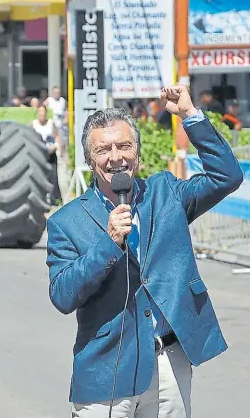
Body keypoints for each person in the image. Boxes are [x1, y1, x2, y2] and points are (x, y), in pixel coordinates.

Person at [46, 85, 243, 418]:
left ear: (136, 152)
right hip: (107, 367)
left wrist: (189, 115)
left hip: (169, 361)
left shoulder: (165, 193)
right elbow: (63, 295)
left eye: (124, 146)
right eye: (104, 149)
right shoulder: (66, 222)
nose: (116, 158)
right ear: (89, 160)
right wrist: (108, 244)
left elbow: (227, 176)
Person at [31, 105, 62, 206]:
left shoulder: (50, 123)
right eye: (40, 112)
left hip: (50, 153)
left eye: (43, 112)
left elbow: (57, 135)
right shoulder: (33, 124)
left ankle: (54, 199)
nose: (42, 114)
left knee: (53, 176)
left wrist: (56, 145)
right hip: (38, 154)